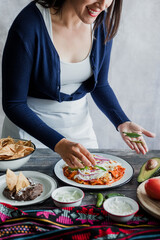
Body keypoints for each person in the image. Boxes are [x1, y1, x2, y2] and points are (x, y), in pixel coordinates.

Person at [2, 0, 155, 168]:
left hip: (80, 136)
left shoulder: (101, 22)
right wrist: (58, 143)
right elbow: (14, 104)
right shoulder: (28, 25)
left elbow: (100, 85)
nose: (102, 5)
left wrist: (121, 121)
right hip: (28, 139)